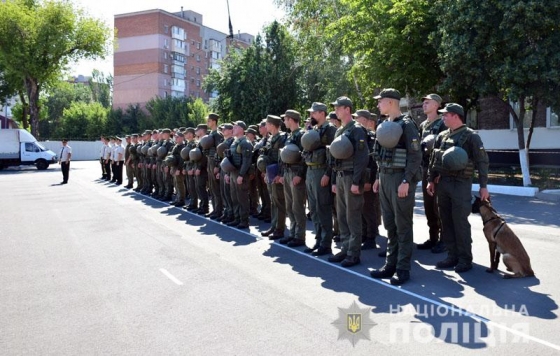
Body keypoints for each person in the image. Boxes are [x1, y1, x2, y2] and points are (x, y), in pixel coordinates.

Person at [427, 103, 490, 273]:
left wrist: (483, 186)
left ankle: (464, 259)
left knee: (460, 222)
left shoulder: (471, 136)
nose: (443, 117)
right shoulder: (441, 136)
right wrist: (431, 180)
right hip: (444, 184)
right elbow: (434, 160)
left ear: (455, 116)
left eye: (446, 115)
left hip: (461, 184)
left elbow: (482, 161)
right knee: (446, 221)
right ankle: (452, 255)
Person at [370, 88, 422, 286]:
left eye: (380, 101)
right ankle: (390, 264)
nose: (378, 105)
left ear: (391, 102)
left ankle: (403, 268)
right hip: (384, 178)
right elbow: (378, 155)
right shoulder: (384, 125)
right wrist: (377, 177)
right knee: (390, 225)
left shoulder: (407, 126)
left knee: (402, 225)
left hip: (400, 180)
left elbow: (415, 156)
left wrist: (406, 181)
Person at [327, 97, 369, 268]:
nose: (336, 110)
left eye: (338, 107)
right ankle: (345, 248)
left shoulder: (357, 130)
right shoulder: (340, 130)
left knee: (353, 216)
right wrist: (334, 180)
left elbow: (362, 157)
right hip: (340, 176)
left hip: (352, 176)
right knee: (342, 215)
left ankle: (353, 253)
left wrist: (356, 181)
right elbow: (335, 157)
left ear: (347, 109)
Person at [303, 102, 337, 256]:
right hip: (311, 170)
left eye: (314, 113)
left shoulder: (330, 130)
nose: (311, 116)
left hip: (322, 171)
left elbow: (333, 154)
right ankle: (318, 239)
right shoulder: (314, 130)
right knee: (314, 209)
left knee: (323, 208)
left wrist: (328, 174)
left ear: (322, 113)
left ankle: (326, 243)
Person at [353, 110, 383, 250]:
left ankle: (371, 236)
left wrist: (368, 181)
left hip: (368, 179)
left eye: (357, 118)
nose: (355, 120)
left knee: (368, 207)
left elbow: (372, 161)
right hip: (359, 177)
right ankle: (365, 234)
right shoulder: (357, 134)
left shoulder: (371, 137)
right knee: (361, 208)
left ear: (364, 120)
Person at [279, 110, 308, 247]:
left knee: (297, 206)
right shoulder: (290, 135)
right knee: (290, 206)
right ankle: (292, 233)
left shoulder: (301, 135)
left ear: (290, 119)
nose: (284, 121)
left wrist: (300, 175)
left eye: (285, 119)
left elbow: (304, 157)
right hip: (287, 172)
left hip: (296, 173)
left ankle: (299, 236)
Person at [259, 115, 288, 240]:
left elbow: (282, 158)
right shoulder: (271, 138)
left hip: (277, 172)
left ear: (272, 125)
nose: (265, 126)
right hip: (270, 172)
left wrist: (280, 174)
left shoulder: (282, 138)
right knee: (273, 201)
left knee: (279, 201)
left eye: (267, 124)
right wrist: (266, 172)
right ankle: (274, 225)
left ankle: (279, 229)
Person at [225, 121, 254, 229]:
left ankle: (244, 220)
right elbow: (231, 159)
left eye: (235, 127)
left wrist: (241, 175)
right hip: (233, 172)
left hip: (240, 173)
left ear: (241, 129)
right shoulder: (235, 142)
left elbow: (247, 161)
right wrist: (228, 173)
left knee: (242, 197)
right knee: (234, 197)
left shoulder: (245, 143)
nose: (233, 128)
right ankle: (237, 218)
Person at [204, 113, 225, 218]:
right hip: (209, 161)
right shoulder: (211, 133)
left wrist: (217, 165)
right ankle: (215, 209)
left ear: (213, 121)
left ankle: (219, 210)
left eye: (208, 121)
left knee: (216, 188)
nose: (207, 123)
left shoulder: (217, 134)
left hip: (214, 162)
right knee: (211, 187)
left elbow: (219, 150)